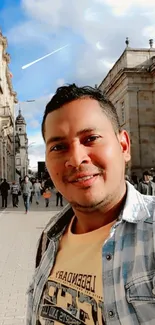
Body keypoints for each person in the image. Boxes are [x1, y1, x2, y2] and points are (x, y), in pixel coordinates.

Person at [26, 84, 155, 325]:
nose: (76, 159)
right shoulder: (49, 238)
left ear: (124, 146)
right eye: (58, 147)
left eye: (91, 138)